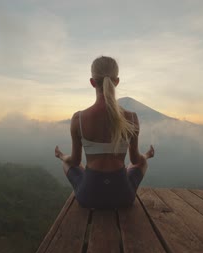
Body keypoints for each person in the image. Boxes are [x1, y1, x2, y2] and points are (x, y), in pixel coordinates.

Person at [54, 56, 155, 209]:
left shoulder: (78, 118)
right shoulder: (132, 118)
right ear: (117, 81)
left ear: (92, 82)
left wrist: (61, 156)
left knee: (66, 163)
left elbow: (74, 161)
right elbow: (135, 161)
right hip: (123, 197)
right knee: (141, 164)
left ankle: (67, 166)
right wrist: (146, 156)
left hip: (89, 197)